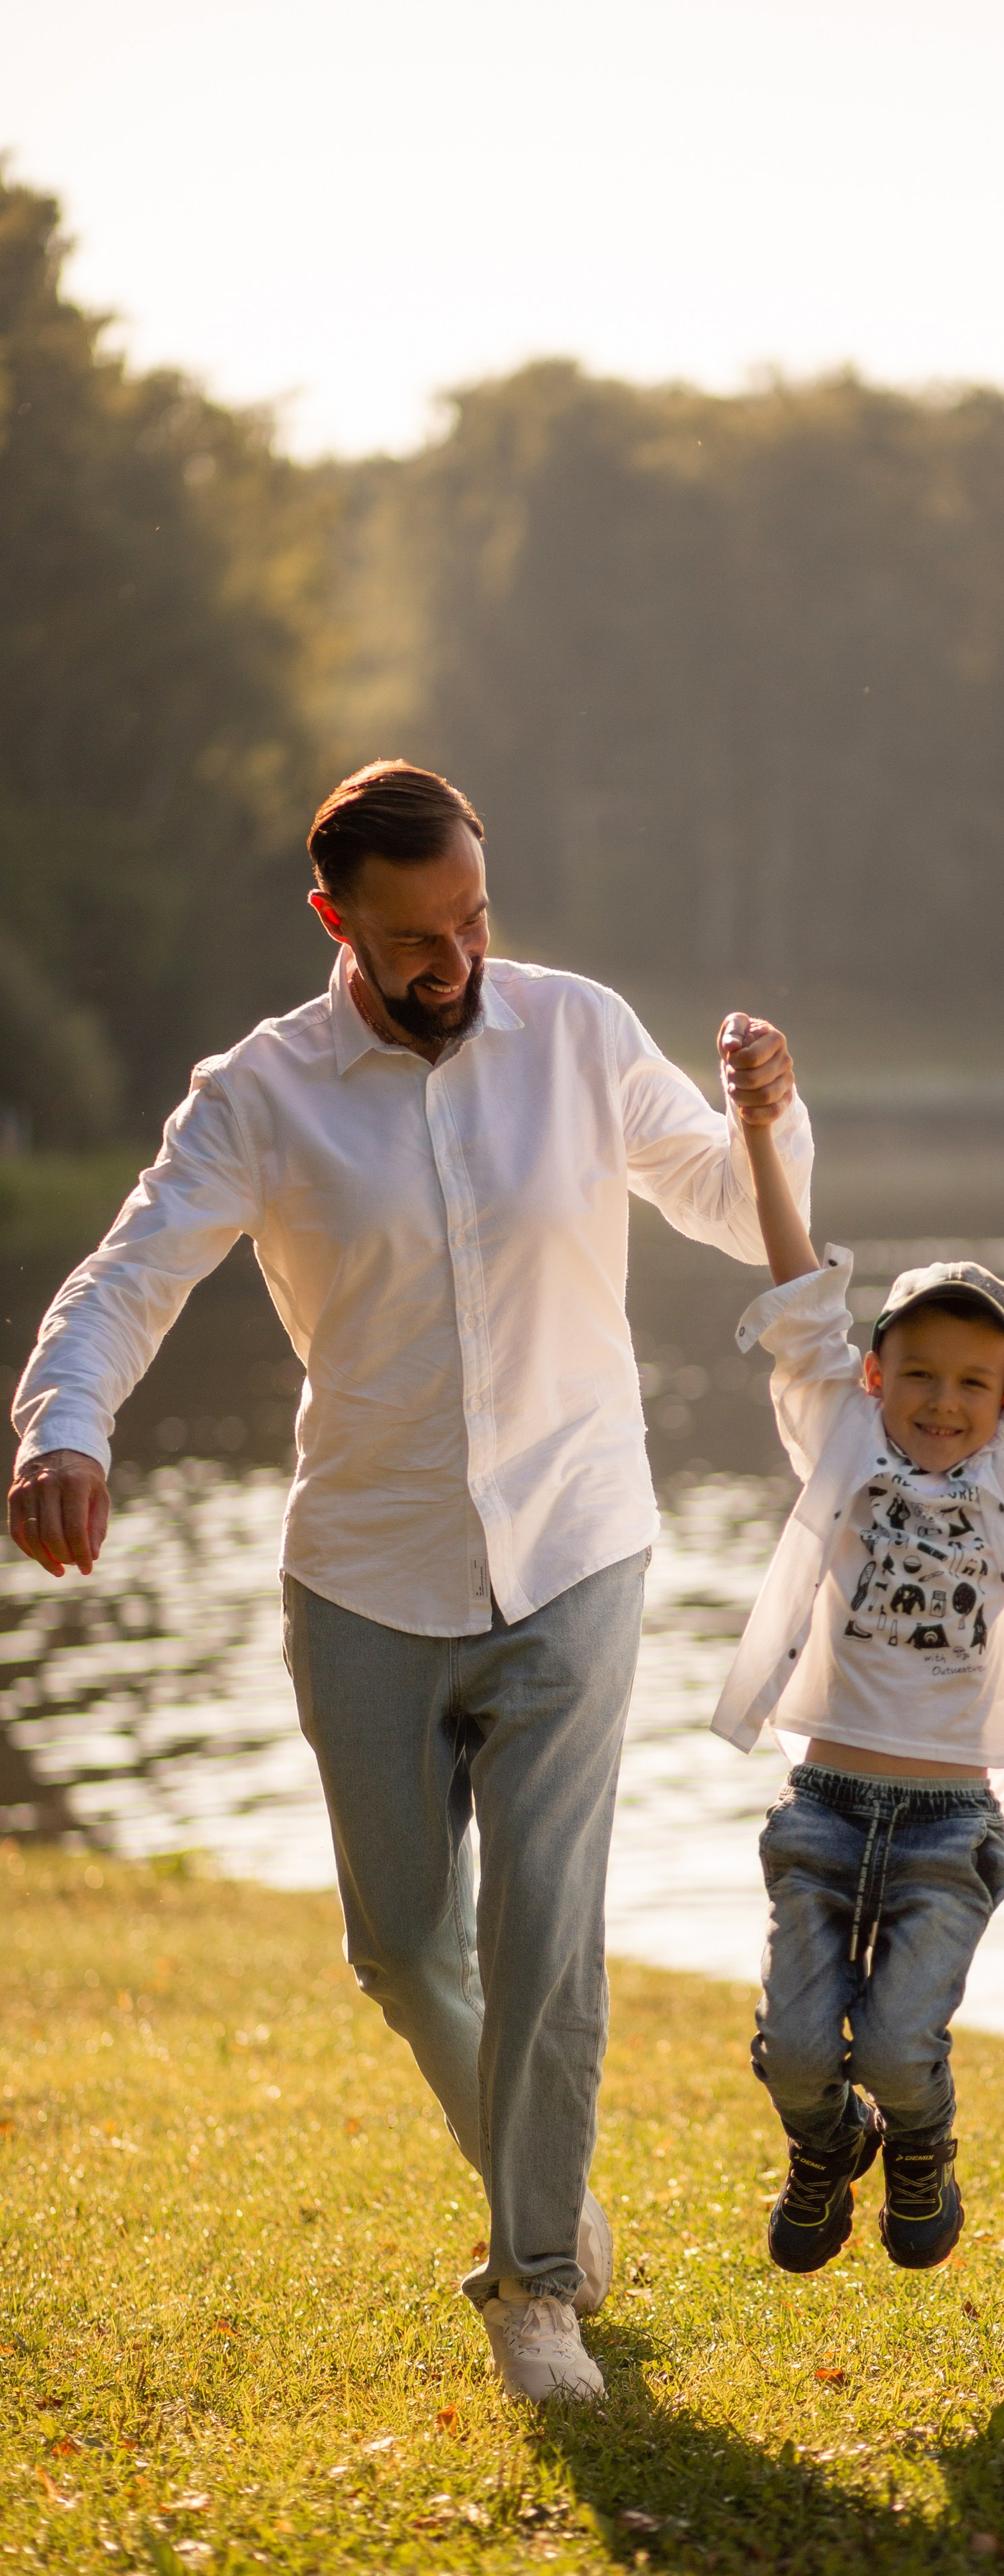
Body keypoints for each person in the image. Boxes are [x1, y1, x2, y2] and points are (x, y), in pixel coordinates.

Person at [7, 759, 812, 2404]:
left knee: (546, 1932)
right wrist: (63, 1425)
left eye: (473, 921)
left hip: (576, 1545)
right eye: (416, 941)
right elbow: (127, 1277)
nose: (457, 961)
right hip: (366, 1569)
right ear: (336, 920)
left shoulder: (579, 1033)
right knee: (399, 1946)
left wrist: (765, 1115)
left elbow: (739, 1214)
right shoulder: (259, 1094)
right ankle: (550, 2196)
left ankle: (535, 2285)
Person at [709, 1022, 1004, 2273]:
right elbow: (799, 1300)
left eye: (973, 1382)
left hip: (951, 1822)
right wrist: (756, 1132)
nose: (945, 1402)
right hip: (827, 1804)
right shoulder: (838, 1440)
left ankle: (921, 2141)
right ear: (874, 1377)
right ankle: (824, 2146)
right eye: (919, 1376)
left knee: (902, 2049)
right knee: (796, 2052)